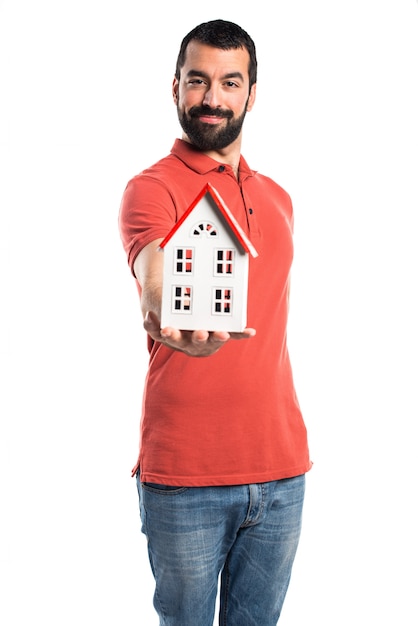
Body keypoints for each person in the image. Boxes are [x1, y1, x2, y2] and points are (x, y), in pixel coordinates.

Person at [119, 19, 312, 626]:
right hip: (187, 475)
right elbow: (152, 265)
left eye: (230, 82)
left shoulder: (278, 197)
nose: (212, 98)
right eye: (197, 81)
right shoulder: (152, 188)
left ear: (251, 93)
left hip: (282, 471)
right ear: (175, 87)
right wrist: (161, 314)